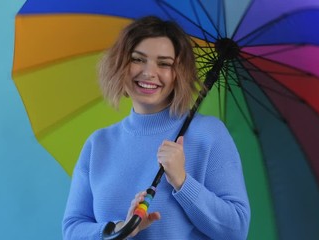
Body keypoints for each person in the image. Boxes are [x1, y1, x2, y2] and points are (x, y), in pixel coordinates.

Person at [62, 16, 250, 240]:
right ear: (120, 65)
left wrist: (182, 181)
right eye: (138, 59)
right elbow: (72, 229)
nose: (149, 72)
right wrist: (120, 228)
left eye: (164, 63)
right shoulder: (98, 144)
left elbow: (236, 228)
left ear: (178, 73)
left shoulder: (208, 134)